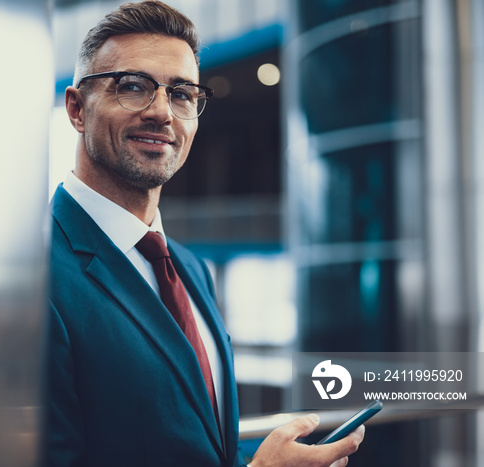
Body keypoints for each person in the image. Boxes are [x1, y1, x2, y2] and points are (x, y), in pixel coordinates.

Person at [44, 2, 365, 466]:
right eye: (133, 87)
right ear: (76, 109)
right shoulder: (33, 284)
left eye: (182, 94)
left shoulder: (190, 269)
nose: (161, 112)